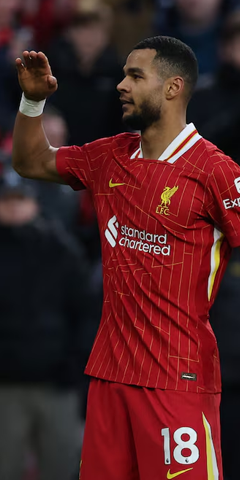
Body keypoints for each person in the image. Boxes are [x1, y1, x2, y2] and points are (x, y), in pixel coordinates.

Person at [11, 36, 240, 480]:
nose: (121, 85)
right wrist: (32, 103)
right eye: (124, 73)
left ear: (173, 87)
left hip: (178, 378)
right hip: (109, 375)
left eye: (135, 75)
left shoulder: (215, 170)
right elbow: (31, 162)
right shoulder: (109, 155)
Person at [0, 165, 98, 480]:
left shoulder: (61, 250)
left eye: (20, 199)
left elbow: (86, 312)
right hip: (5, 386)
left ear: (34, 203)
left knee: (62, 467)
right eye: (7, 200)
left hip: (58, 382)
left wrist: (75, 365)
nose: (14, 206)